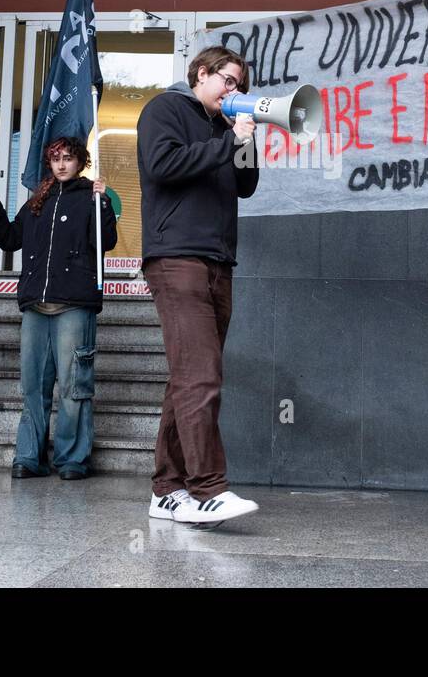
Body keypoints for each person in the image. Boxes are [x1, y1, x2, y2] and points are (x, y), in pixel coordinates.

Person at [136, 46, 260, 526]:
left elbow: (245, 185)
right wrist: (227, 143)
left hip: (217, 261)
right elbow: (162, 165)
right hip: (177, 258)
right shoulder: (165, 109)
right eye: (229, 81)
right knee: (201, 377)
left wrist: (242, 139)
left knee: (187, 378)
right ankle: (207, 490)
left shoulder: (224, 129)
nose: (236, 91)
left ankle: (167, 491)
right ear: (202, 74)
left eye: (240, 85)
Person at [0, 137, 116, 479]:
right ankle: (29, 457)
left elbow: (107, 240)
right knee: (33, 387)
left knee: (75, 385)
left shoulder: (91, 197)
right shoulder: (37, 202)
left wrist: (102, 203)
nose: (61, 164)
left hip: (74, 302)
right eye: (56, 158)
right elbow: (10, 238)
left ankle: (72, 458)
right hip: (35, 304)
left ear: (81, 162)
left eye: (69, 158)